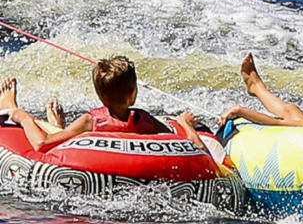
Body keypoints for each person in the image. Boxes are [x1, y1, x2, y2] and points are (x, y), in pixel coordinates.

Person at [0, 55, 206, 152]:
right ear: (133, 93)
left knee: (55, 133)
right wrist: (186, 123)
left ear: (99, 95)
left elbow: (42, 144)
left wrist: (23, 118)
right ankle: (58, 125)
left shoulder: (91, 121)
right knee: (64, 134)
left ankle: (13, 107)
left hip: (82, 138)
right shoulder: (145, 120)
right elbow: (189, 145)